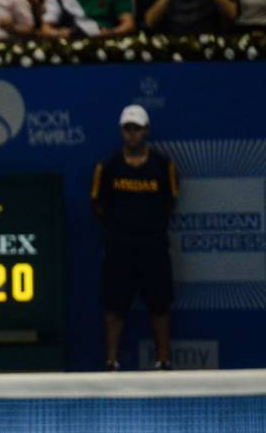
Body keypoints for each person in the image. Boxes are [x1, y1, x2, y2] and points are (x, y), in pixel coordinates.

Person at [91, 105, 178, 372]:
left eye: (137, 129)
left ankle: (163, 360)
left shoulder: (163, 165)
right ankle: (111, 361)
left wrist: (148, 225)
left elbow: (171, 200)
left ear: (146, 131)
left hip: (153, 245)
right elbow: (97, 202)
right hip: (119, 246)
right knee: (114, 305)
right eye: (128, 129)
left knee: (160, 304)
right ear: (121, 132)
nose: (132, 134)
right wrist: (120, 226)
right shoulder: (108, 167)